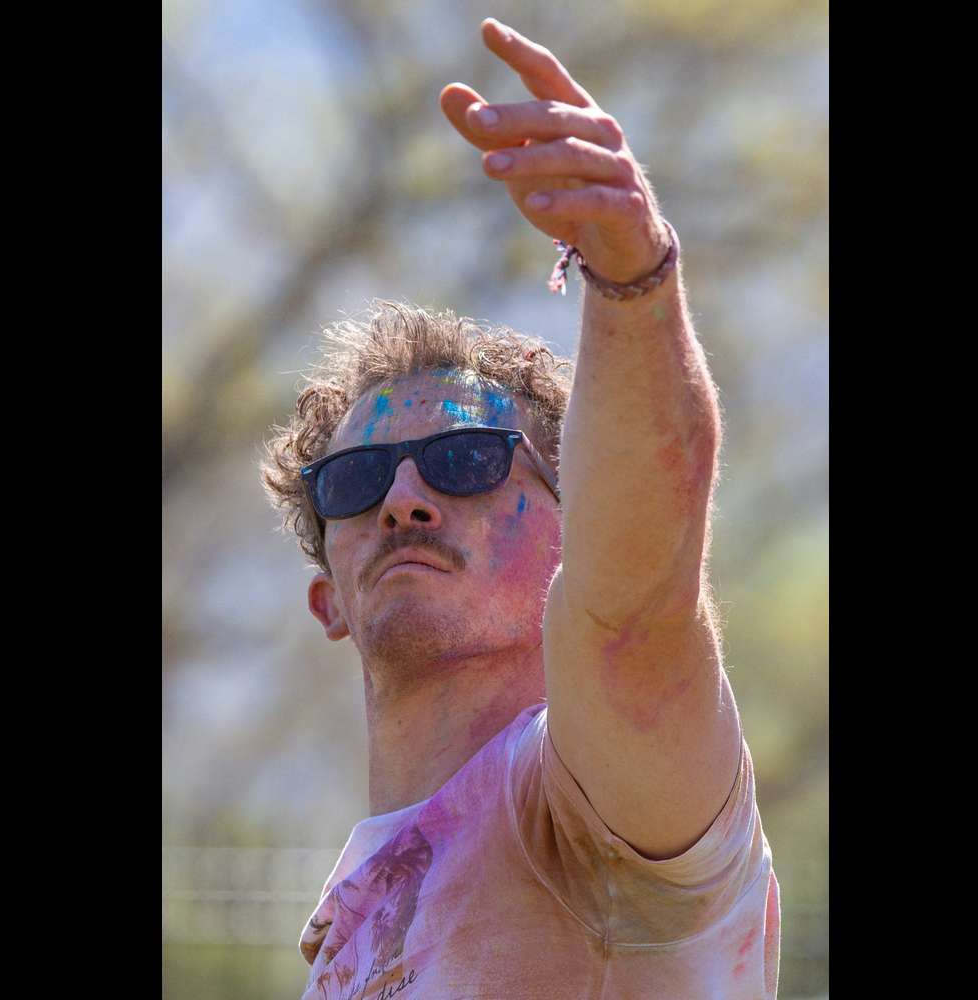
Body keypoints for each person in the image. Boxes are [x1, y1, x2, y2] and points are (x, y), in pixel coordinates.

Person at [262, 18, 780, 999]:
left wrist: (632, 283)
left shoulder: (596, 800)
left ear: (574, 534)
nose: (406, 499)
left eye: (463, 462)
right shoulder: (352, 914)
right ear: (326, 597)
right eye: (357, 483)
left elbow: (636, 608)